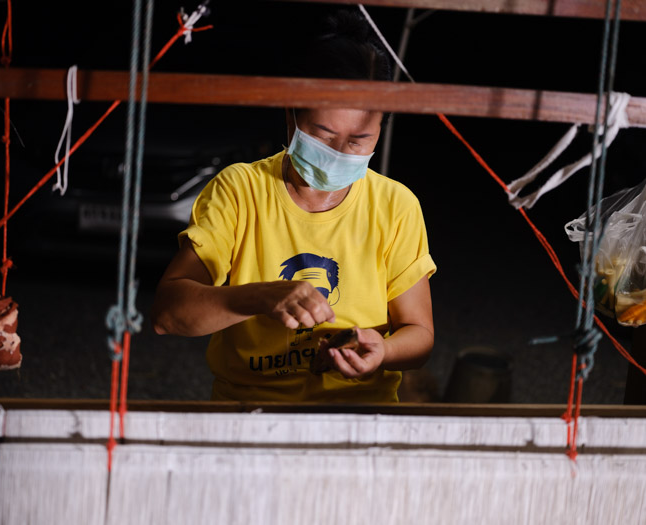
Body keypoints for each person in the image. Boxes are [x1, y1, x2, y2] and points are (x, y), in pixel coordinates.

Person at [151, 9, 436, 403]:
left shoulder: (395, 206)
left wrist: (383, 351)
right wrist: (260, 297)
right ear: (291, 115)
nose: (339, 153)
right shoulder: (240, 191)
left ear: (381, 128)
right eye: (324, 136)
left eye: (358, 141)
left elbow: (420, 335)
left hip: (360, 413)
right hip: (250, 411)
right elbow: (168, 314)